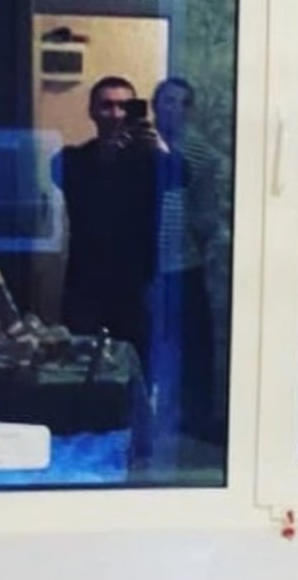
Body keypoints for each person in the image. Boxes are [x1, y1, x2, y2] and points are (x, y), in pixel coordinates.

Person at [54, 75, 175, 372]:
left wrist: (161, 149)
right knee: (82, 370)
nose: (116, 114)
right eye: (106, 106)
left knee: (138, 371)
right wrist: (105, 157)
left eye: (124, 106)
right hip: (85, 285)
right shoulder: (73, 159)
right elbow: (64, 175)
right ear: (92, 111)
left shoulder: (149, 161)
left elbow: (182, 178)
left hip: (137, 286)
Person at [150, 77, 221, 440]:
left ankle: (195, 416)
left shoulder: (202, 154)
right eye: (166, 101)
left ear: (190, 110)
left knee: (195, 345)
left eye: (181, 102)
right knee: (145, 342)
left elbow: (207, 215)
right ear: (154, 106)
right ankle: (143, 416)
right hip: (144, 266)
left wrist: (196, 239)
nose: (173, 109)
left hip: (185, 264)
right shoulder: (139, 146)